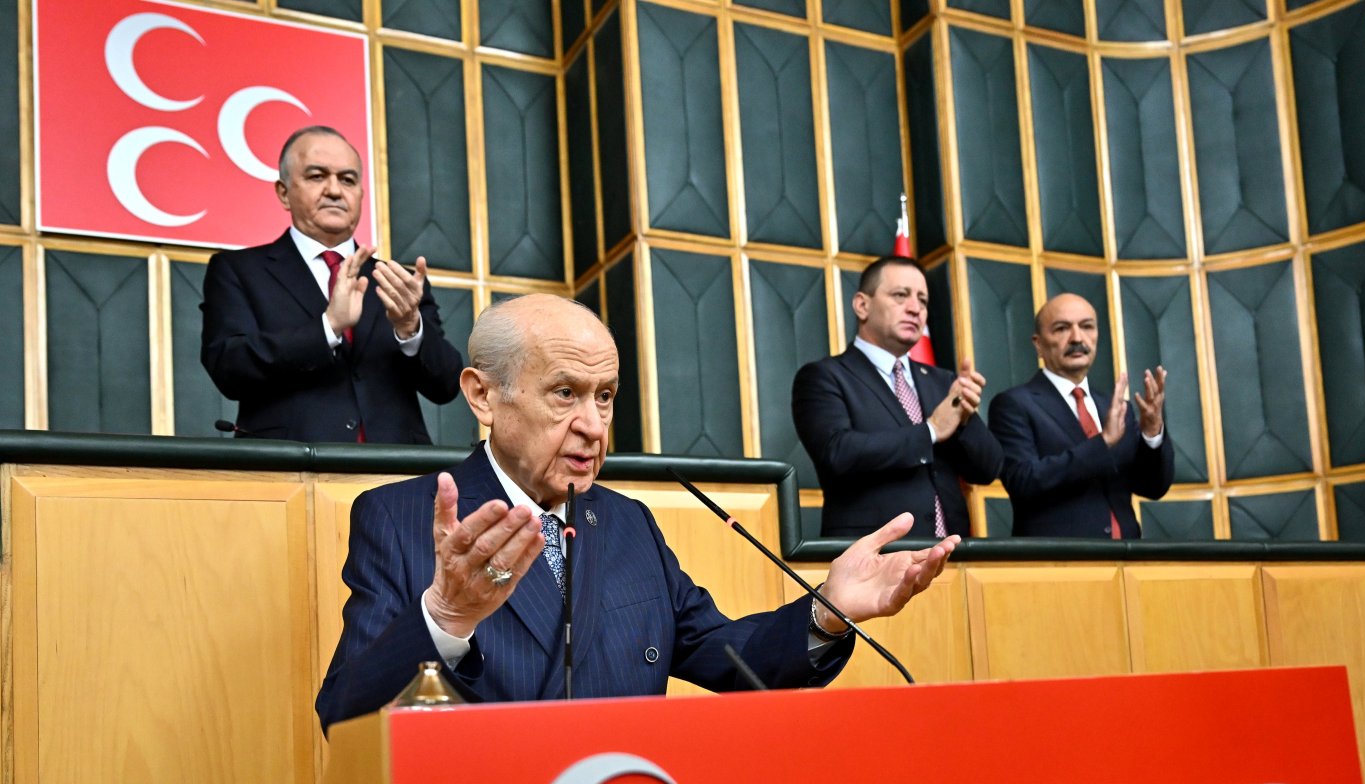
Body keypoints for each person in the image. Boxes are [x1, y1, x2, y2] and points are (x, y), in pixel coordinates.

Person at [316, 294, 958, 729]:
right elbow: (344, 714)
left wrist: (827, 611)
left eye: (606, 396)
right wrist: (444, 619)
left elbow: (730, 658)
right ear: (483, 397)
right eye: (565, 393)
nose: (593, 426)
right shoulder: (400, 519)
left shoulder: (626, 524)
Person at [200, 126, 463, 443]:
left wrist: (410, 329)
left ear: (361, 196)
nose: (335, 191)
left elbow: (446, 385)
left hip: (396, 474)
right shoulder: (238, 271)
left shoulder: (398, 282)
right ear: (284, 192)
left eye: (348, 180)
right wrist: (328, 327)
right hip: (290, 472)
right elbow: (230, 369)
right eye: (317, 176)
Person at [791, 256, 1003, 539]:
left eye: (923, 301)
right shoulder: (825, 376)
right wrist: (930, 431)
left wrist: (963, 421)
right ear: (862, 305)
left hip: (952, 555)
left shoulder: (943, 382)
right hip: (873, 556)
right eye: (900, 295)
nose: (915, 309)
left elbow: (988, 469)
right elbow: (837, 453)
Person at [989, 292, 1174, 538]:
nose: (1077, 337)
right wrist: (1102, 443)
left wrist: (1152, 433)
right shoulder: (1013, 405)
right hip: (1059, 563)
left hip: (1127, 560)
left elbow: (1153, 487)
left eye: (1087, 326)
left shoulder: (1117, 408)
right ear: (1038, 344)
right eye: (1062, 328)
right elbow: (1023, 482)